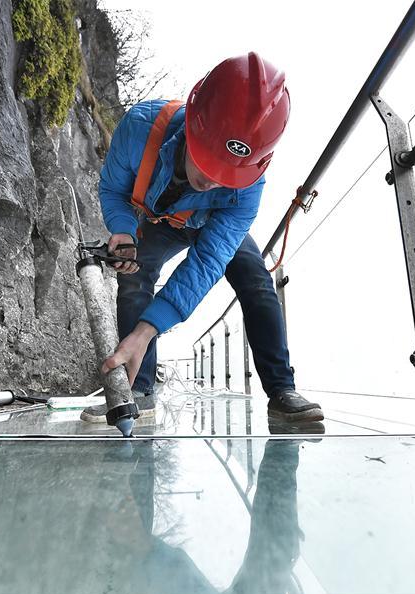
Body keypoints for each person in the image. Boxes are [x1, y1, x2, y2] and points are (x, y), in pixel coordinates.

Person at [82, 52, 323, 424]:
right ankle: (139, 389)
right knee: (134, 277)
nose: (213, 180)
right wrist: (124, 232)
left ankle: (281, 390)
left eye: (229, 173)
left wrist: (148, 329)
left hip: (211, 225)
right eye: (208, 160)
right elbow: (113, 189)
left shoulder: (247, 193)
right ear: (193, 124)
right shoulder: (140, 127)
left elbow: (207, 263)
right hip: (160, 221)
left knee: (256, 279)